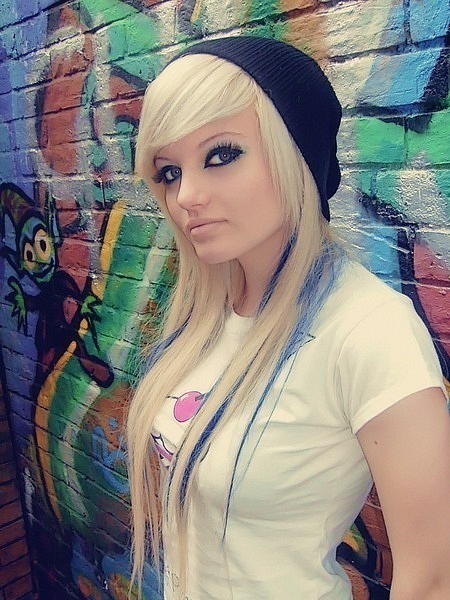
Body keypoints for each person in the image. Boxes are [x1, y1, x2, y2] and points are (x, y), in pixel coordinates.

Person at [127, 36, 450, 600]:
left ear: (294, 154)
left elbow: (432, 580)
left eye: (220, 155)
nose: (187, 196)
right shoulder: (209, 315)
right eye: (170, 172)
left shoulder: (370, 329)